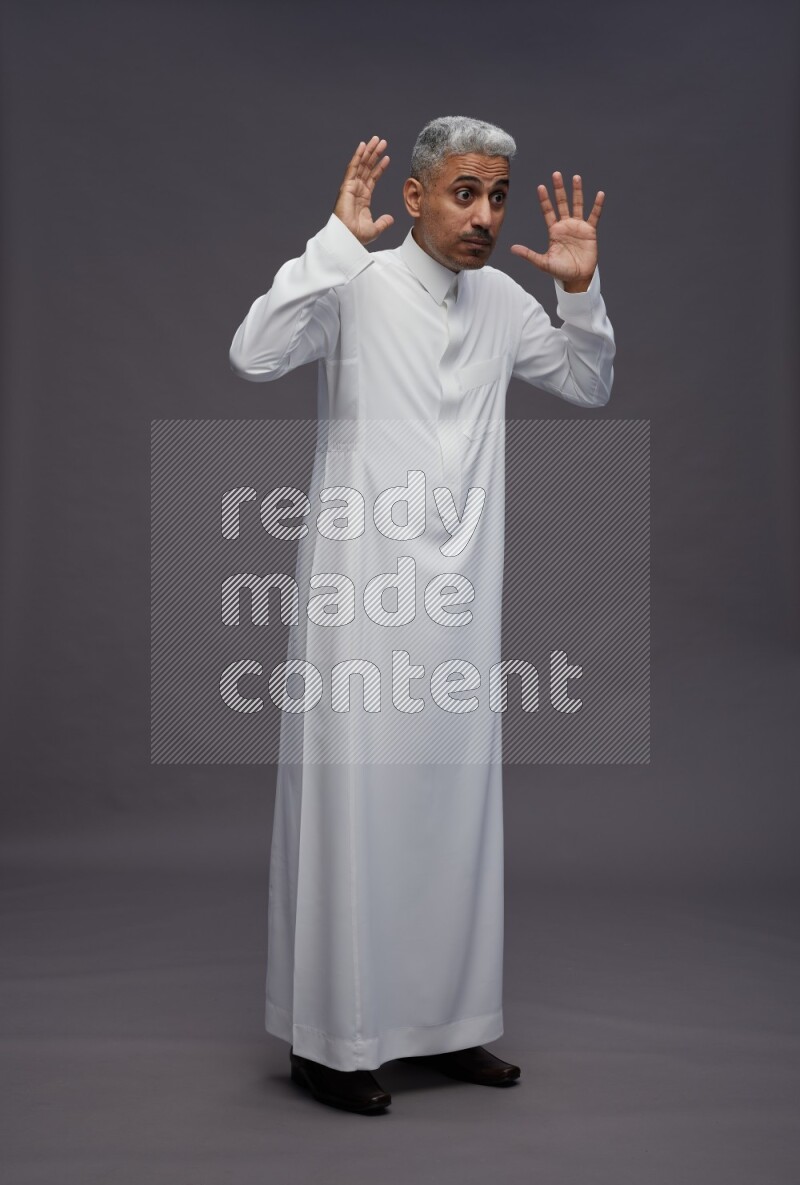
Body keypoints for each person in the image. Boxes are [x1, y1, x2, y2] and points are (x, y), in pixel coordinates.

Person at [229, 116, 615, 1114]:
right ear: (412, 197)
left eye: (495, 195)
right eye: (462, 193)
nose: (483, 214)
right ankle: (330, 1042)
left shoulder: (500, 302)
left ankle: (447, 1027)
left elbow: (584, 379)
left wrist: (578, 293)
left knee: (450, 806)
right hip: (359, 598)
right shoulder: (353, 286)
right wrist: (329, 242)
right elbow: (253, 353)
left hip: (457, 600)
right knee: (355, 807)